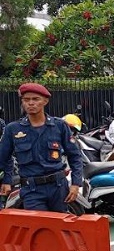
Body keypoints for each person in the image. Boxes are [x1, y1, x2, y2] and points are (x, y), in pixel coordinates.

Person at [0, 83, 83, 212]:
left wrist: (76, 184)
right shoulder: (13, 129)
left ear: (45, 101)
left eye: (35, 99)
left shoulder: (59, 126)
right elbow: (3, 157)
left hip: (58, 188)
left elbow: (75, 156)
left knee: (59, 228)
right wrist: (7, 179)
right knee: (38, 227)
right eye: (26, 100)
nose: (30, 103)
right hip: (31, 190)